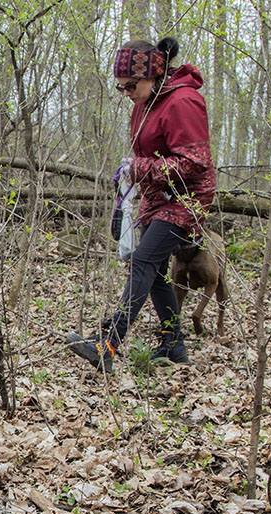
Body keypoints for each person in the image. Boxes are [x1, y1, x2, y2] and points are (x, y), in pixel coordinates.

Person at [67, 37, 216, 372]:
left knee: (143, 263)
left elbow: (195, 162)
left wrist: (139, 168)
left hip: (187, 199)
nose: (126, 93)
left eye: (131, 85)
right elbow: (147, 155)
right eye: (121, 88)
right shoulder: (144, 104)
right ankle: (173, 345)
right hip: (156, 197)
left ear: (154, 74)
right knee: (155, 270)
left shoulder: (184, 102)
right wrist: (134, 183)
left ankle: (107, 343)